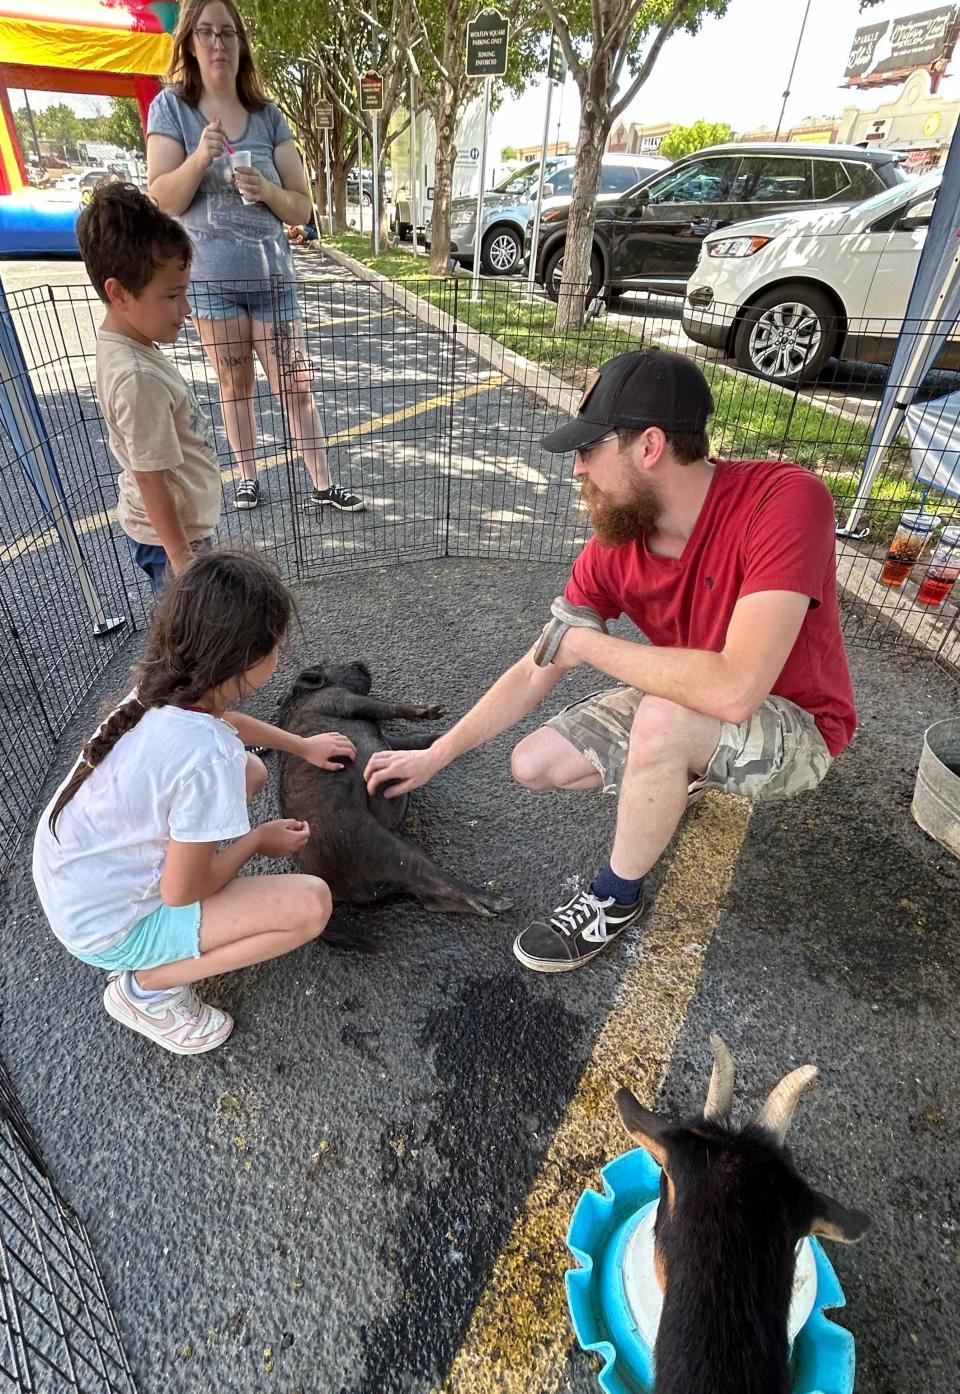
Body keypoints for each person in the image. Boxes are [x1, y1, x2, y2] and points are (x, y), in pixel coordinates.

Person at [364, 348, 857, 974]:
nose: (577, 470)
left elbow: (735, 690)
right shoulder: (615, 547)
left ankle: (614, 900)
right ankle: (684, 768)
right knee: (535, 763)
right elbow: (533, 668)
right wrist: (436, 754)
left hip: (796, 722)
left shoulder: (786, 501)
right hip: (686, 698)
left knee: (662, 724)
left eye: (588, 450)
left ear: (648, 446)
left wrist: (589, 645)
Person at [32, 550, 357, 1055]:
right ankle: (146, 989)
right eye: (276, 647)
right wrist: (254, 842)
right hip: (107, 927)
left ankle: (190, 896)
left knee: (252, 769)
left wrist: (304, 745)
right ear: (247, 662)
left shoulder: (161, 687)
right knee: (310, 906)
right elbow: (183, 892)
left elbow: (223, 727)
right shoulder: (207, 758)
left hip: (74, 882)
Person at [145, 0, 362, 515]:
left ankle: (322, 482)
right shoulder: (171, 109)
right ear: (189, 43)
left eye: (227, 33)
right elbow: (163, 197)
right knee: (233, 384)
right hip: (212, 282)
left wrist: (265, 188)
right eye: (206, 33)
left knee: (296, 384)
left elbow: (303, 204)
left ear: (241, 44)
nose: (218, 43)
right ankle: (246, 476)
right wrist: (200, 155)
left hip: (275, 280)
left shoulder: (269, 117)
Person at [76, 181, 222, 597]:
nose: (186, 309)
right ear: (119, 293)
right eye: (173, 296)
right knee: (189, 642)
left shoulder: (133, 346)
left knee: (195, 639)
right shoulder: (137, 377)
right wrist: (182, 559)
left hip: (177, 534)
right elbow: (150, 476)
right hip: (172, 543)